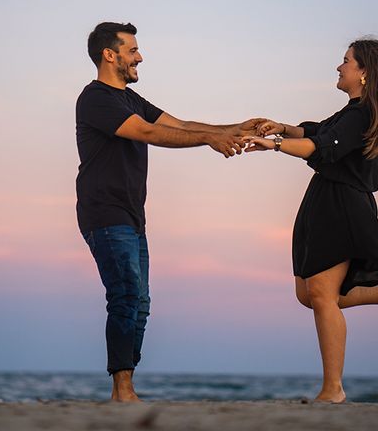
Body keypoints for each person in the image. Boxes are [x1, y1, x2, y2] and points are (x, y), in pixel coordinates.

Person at [75, 22, 265, 402]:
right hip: (105, 212)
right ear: (109, 55)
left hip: (131, 215)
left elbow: (179, 125)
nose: (139, 56)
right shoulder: (95, 98)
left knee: (141, 303)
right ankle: (122, 389)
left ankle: (124, 387)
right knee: (126, 295)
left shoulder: (130, 99)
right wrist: (211, 139)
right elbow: (148, 134)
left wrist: (232, 128)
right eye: (131, 50)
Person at [244, 38, 378, 403]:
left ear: (363, 72)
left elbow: (323, 148)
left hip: (343, 204)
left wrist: (275, 145)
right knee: (308, 294)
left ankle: (333, 390)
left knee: (322, 296)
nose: (339, 66)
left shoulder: (362, 114)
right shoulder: (351, 110)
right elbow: (316, 132)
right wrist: (280, 127)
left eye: (346, 61)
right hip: (324, 200)